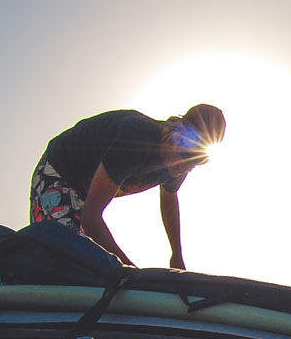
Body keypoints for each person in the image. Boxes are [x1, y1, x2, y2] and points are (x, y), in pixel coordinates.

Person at [30, 104, 226, 268]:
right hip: (59, 170)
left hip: (84, 192)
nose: (189, 167)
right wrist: (129, 271)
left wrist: (176, 254)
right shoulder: (135, 139)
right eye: (189, 152)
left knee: (87, 263)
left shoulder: (179, 166)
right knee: (67, 255)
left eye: (200, 159)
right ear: (177, 134)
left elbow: (169, 201)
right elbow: (91, 218)